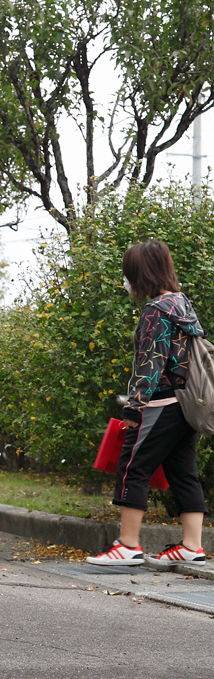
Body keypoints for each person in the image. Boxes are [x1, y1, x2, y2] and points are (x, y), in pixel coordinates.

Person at [87, 241, 208, 568]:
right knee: (184, 472)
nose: (126, 280)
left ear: (140, 274)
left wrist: (134, 407)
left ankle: (127, 545)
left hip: (160, 403)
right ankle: (192, 546)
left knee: (132, 466)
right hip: (186, 405)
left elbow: (150, 365)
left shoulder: (156, 311)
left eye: (128, 273)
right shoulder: (182, 305)